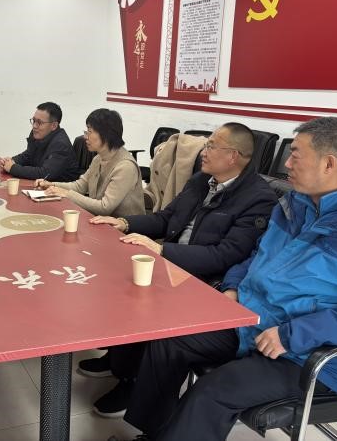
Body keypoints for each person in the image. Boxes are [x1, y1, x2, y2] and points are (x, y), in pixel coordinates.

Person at [109, 117, 337, 441]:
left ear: (328, 164)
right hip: (250, 320)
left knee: (213, 391)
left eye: (296, 154)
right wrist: (234, 286)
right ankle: (153, 433)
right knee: (169, 340)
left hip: (302, 353)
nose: (286, 163)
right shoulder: (295, 204)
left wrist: (292, 334)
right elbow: (257, 254)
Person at [80, 123, 278, 417]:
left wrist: (162, 250)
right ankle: (117, 358)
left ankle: (131, 380)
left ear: (233, 156)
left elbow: (227, 255)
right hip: (174, 262)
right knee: (115, 275)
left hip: (209, 278)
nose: (203, 151)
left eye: (211, 146)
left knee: (143, 301)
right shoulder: (202, 180)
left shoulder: (258, 199)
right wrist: (125, 223)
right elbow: (165, 218)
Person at [36, 108, 145, 218]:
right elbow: (80, 186)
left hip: (124, 226)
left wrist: (67, 194)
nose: (85, 137)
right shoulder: (98, 159)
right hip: (100, 221)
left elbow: (105, 207)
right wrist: (52, 185)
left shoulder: (125, 166)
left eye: (89, 131)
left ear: (106, 135)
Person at [1, 102, 81, 182]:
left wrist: (13, 168)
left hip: (59, 187)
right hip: (39, 185)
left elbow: (44, 174)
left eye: (39, 122)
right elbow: (28, 155)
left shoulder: (61, 145)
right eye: (34, 120)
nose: (34, 126)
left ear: (54, 126)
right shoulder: (38, 134)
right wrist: (11, 161)